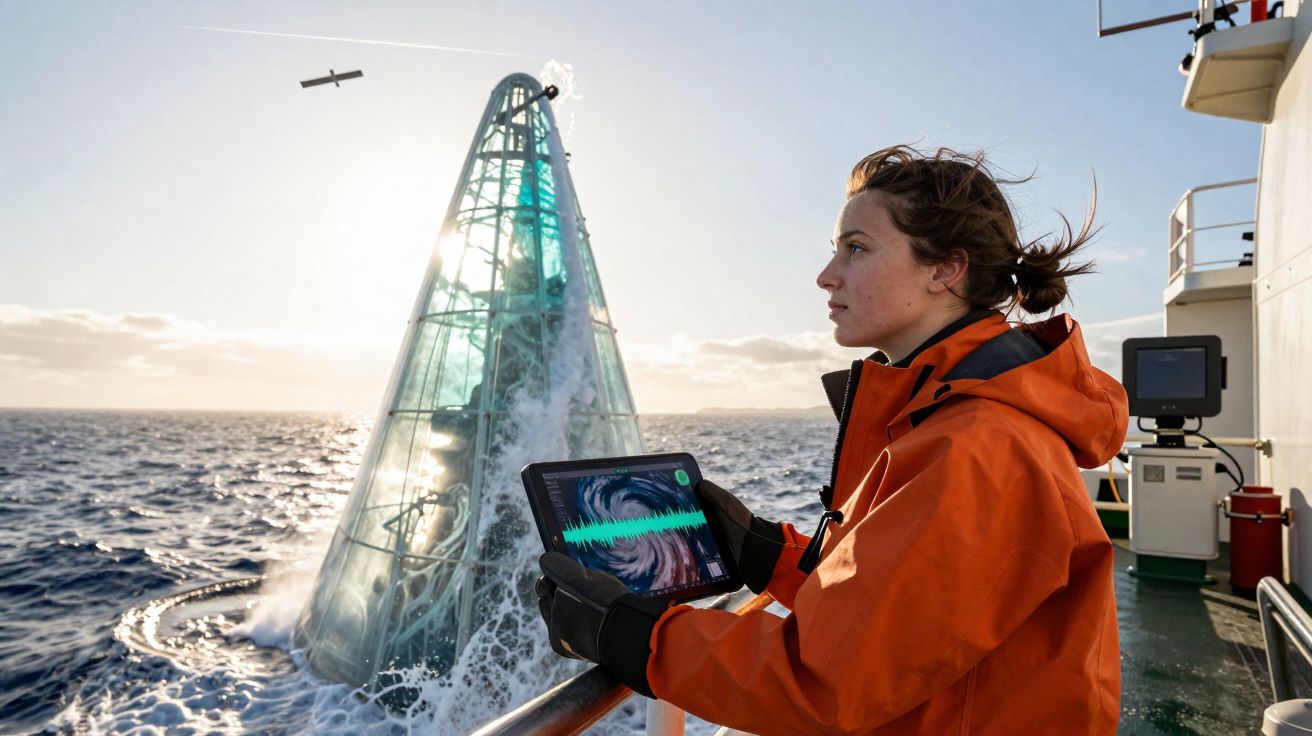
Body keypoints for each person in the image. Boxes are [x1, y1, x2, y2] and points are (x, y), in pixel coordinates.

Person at [535, 145, 1128, 735]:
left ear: (946, 269)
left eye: (857, 249)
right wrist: (768, 554)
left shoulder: (979, 446)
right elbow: (901, 612)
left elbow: (822, 682)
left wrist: (625, 633)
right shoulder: (959, 421)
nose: (826, 276)